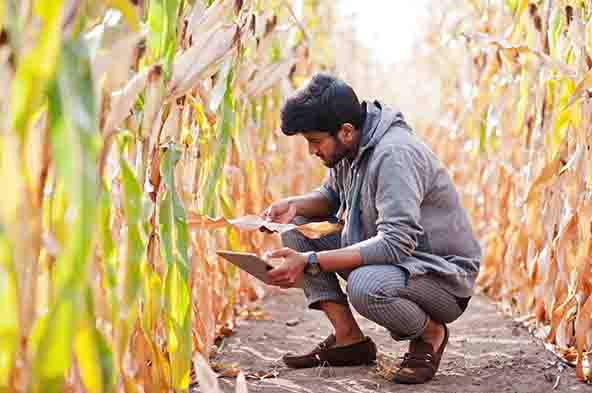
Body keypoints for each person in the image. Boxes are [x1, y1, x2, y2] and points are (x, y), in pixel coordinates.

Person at [262, 73, 481, 384]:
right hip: (399, 260)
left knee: (364, 286)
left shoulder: (394, 156)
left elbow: (394, 244)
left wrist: (310, 262)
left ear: (346, 131)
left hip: (441, 277)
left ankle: (431, 334)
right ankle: (348, 340)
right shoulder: (348, 149)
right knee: (297, 231)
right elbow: (330, 196)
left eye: (314, 141)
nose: (312, 151)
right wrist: (293, 205)